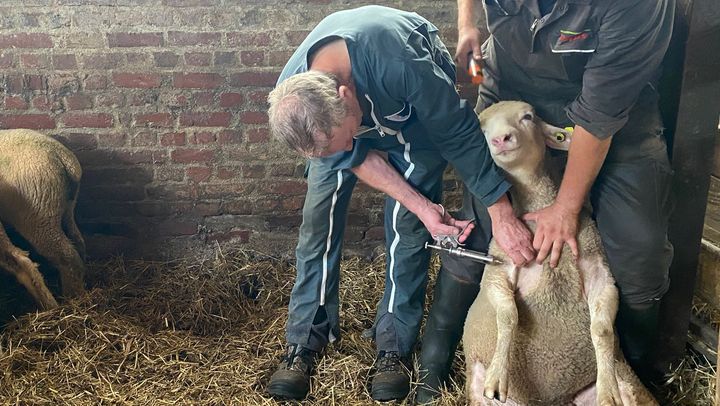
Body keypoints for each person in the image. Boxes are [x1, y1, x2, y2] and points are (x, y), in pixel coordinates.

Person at [264, 5, 535, 402]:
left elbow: (457, 134)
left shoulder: (402, 63)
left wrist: (501, 212)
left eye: (345, 140)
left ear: (345, 94)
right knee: (317, 224)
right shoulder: (296, 99)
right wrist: (341, 149)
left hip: (413, 121)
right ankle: (304, 341)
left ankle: (393, 346)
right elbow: (352, 153)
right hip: (344, 125)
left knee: (408, 228)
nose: (346, 149)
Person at [415, 0, 676, 402]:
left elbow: (597, 119)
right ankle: (436, 352)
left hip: (613, 116)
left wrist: (566, 208)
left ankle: (633, 367)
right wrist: (469, 28)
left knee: (638, 243)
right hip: (512, 91)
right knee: (478, 223)